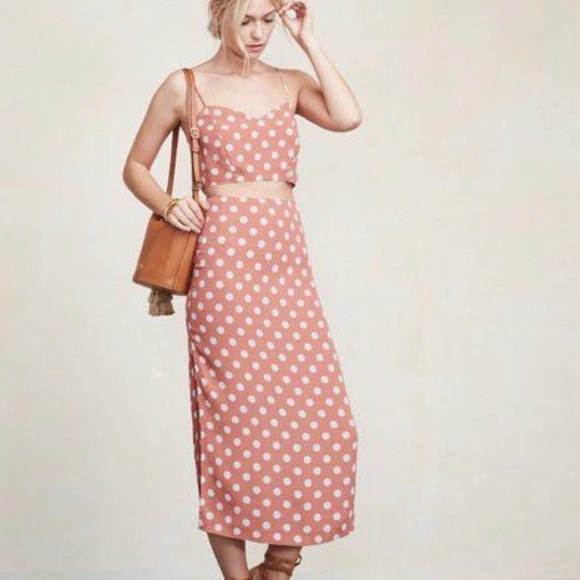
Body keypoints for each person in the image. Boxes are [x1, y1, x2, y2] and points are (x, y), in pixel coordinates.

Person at [122, 0, 362, 578]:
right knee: (233, 423)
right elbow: (135, 166)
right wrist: (170, 205)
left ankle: (278, 565)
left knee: (325, 422)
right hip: (223, 268)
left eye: (267, 20)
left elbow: (348, 116)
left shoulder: (289, 82)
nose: (258, 33)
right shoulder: (185, 85)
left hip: (286, 267)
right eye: (246, 19)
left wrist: (307, 39)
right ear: (219, 15)